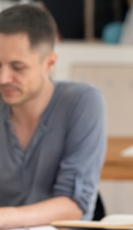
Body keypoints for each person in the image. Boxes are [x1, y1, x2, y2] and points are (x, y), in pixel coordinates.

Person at [0, 5, 106, 227]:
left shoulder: (82, 101)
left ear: (49, 63)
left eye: (17, 67)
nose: (3, 78)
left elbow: (73, 206)